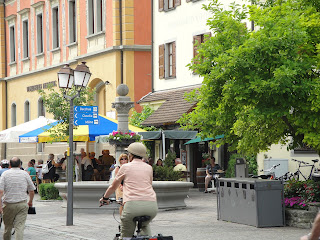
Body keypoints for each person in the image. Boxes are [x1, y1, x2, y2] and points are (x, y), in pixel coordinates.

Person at [100, 142, 157, 239]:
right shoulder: (149, 168)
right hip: (151, 206)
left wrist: (105, 198)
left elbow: (113, 186)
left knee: (126, 235)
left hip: (132, 206)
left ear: (130, 155)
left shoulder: (125, 167)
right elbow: (149, 184)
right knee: (145, 226)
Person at [0, 157, 35, 240]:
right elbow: (32, 190)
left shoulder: (5, 174)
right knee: (19, 227)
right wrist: (30, 201)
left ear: (10, 165)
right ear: (20, 165)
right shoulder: (25, 174)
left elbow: (0, 191)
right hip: (22, 204)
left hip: (8, 204)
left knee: (7, 228)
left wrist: (0, 205)